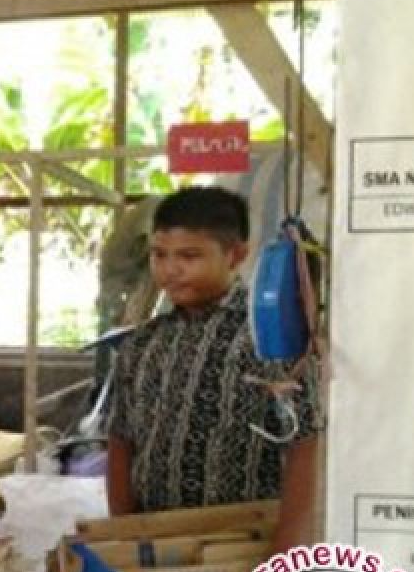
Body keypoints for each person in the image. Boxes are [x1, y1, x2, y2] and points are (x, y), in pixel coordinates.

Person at [106, 186, 320, 553]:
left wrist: (286, 556)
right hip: (158, 544)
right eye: (159, 255)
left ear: (236, 255)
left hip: (245, 546)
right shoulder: (141, 344)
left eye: (189, 256)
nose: (170, 270)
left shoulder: (269, 338)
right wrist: (124, 537)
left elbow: (306, 443)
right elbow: (121, 441)